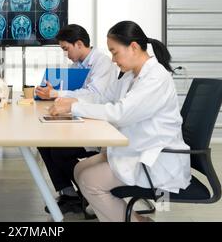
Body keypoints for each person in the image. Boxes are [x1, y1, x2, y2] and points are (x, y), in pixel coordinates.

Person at [49, 20, 191, 222]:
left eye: (115, 52)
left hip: (153, 156)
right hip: (133, 148)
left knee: (89, 181)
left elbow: (120, 113)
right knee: (79, 169)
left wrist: (74, 107)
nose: (113, 60)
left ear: (133, 47)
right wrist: (70, 100)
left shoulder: (155, 78)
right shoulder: (130, 75)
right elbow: (104, 98)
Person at [35, 24, 117, 215]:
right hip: (83, 118)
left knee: (59, 150)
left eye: (66, 48)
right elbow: (75, 94)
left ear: (79, 44)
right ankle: (69, 194)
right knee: (43, 143)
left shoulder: (102, 63)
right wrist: (51, 94)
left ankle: (89, 194)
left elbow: (93, 95)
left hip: (98, 125)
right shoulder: (77, 66)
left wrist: (56, 93)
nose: (65, 54)